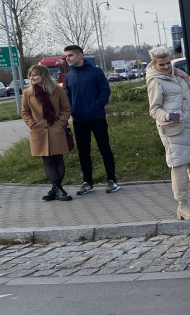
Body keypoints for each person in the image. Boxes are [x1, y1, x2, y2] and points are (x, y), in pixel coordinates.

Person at [146, 46, 190, 220]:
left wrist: (185, 77)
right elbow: (154, 110)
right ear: (154, 64)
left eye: (168, 63)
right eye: (162, 65)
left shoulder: (177, 76)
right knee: (179, 167)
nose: (166, 67)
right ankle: (182, 205)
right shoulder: (155, 81)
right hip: (173, 130)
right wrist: (169, 116)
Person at [63, 44, 119, 194]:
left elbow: (105, 90)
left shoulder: (95, 72)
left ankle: (112, 180)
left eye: (70, 55)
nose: (67, 58)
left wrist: (97, 105)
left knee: (104, 148)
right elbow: (67, 96)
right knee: (83, 152)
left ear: (80, 55)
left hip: (97, 117)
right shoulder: (69, 76)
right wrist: (71, 111)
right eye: (66, 56)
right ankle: (87, 182)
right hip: (79, 120)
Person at [21, 63, 74, 202]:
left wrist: (60, 123)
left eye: (35, 74)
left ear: (43, 75)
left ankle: (55, 190)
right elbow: (25, 112)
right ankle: (59, 191)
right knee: (47, 161)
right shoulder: (28, 92)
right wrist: (32, 124)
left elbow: (66, 109)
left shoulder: (57, 90)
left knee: (58, 160)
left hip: (56, 130)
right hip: (38, 131)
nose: (32, 77)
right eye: (30, 75)